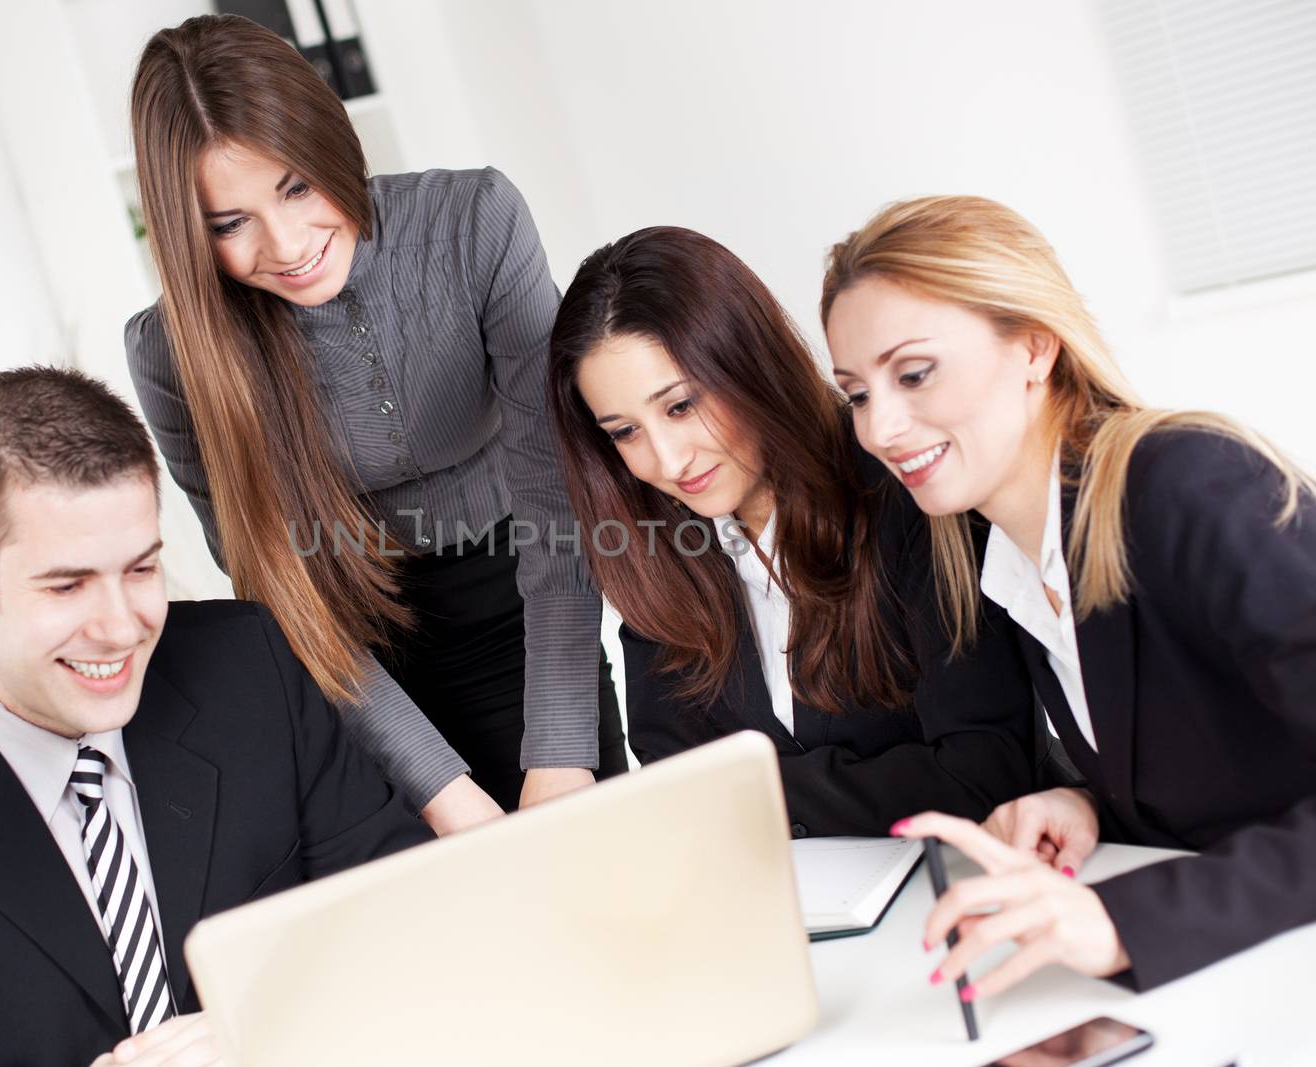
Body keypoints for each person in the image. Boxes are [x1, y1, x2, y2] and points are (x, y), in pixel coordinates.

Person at [0, 367, 431, 1067]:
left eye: (141, 569)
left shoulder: (249, 667)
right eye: (68, 585)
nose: (122, 627)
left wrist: (265, 1029)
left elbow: (404, 905)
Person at [124, 14, 626, 835]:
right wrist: (441, 791)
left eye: (294, 185)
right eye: (229, 223)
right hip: (353, 668)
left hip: (528, 614)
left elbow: (558, 497)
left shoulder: (476, 223)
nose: (286, 244)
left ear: (331, 139)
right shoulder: (172, 354)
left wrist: (561, 751)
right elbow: (284, 594)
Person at [823, 194, 1316, 994]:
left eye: (914, 373)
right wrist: (1086, 800)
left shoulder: (1184, 483)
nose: (879, 429)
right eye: (857, 393)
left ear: (1034, 347)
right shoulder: (1006, 552)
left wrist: (1126, 919)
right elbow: (1221, 755)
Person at [545, 226, 1035, 838]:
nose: (668, 461)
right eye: (624, 432)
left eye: (679, 406)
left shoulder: (905, 489)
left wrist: (754, 792)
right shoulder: (662, 549)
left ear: (746, 363)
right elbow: (676, 782)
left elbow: (982, 775)